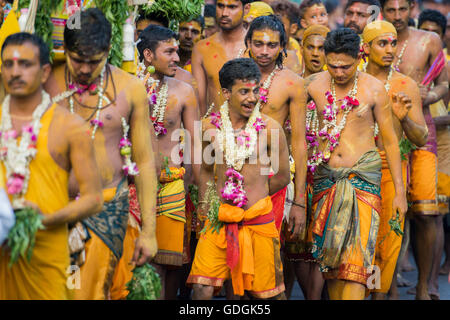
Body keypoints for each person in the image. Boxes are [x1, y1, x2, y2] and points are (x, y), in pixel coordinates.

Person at [44, 8, 158, 300]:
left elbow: (144, 161)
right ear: (64, 50)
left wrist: (148, 232)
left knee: (90, 294)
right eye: (77, 59)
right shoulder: (44, 81)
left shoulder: (129, 89)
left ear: (108, 51)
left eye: (93, 62)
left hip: (105, 210)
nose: (84, 69)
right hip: (47, 211)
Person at [305, 28, 407, 300]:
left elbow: (391, 143)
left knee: (358, 262)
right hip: (326, 180)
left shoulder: (373, 89)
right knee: (334, 263)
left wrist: (399, 192)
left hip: (363, 181)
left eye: (346, 67)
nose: (338, 72)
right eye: (333, 65)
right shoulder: (313, 85)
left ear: (359, 57)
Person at [0, 32, 103, 299]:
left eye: (25, 64)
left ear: (45, 71)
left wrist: (44, 220)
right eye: (8, 64)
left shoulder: (70, 127)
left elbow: (93, 199)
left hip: (45, 255)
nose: (15, 72)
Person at [187, 57, 290, 300]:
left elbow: (283, 176)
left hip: (258, 220)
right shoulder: (208, 128)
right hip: (219, 219)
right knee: (201, 287)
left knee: (269, 295)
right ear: (225, 93)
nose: (252, 98)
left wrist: (258, 193)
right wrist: (205, 209)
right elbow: (204, 172)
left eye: (255, 90)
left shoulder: (270, 128)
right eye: (243, 91)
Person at [381, 0, 449, 300]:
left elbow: (444, 83)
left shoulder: (429, 40)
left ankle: (425, 285)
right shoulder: (375, 37)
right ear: (382, 10)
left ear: (412, 8)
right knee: (389, 210)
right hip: (385, 132)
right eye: (391, 10)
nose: (397, 16)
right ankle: (389, 287)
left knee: (425, 210)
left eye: (402, 10)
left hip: (423, 128)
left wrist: (430, 93)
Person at [361, 20, 428, 300]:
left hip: (391, 172)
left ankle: (378, 295)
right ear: (366, 48)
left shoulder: (405, 84)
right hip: (358, 171)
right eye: (382, 43)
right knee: (360, 241)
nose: (389, 49)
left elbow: (421, 137)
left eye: (392, 44)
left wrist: (404, 119)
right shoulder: (353, 79)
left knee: (387, 243)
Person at [135, 24, 200, 299]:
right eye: (169, 52)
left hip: (172, 185)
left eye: (176, 51)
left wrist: (185, 184)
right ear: (148, 55)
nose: (176, 57)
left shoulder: (185, 91)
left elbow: (196, 145)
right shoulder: (130, 87)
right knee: (138, 260)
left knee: (166, 265)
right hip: (134, 184)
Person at [282, 24, 330, 300]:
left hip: (326, 175)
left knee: (322, 244)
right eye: (309, 47)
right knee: (297, 245)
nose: (315, 53)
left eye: (321, 48)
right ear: (301, 49)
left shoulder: (338, 88)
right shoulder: (292, 86)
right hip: (296, 174)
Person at [418, 8, 450, 299]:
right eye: (424, 29)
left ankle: (429, 284)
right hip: (415, 137)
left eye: (435, 32)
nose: (429, 36)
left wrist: (430, 119)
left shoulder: (444, 64)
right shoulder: (411, 56)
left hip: (440, 143)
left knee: (435, 212)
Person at [191, 0, 252, 116]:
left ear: (246, 8)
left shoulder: (256, 47)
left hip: (252, 129)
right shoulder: (202, 48)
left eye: (232, 7)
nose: (224, 13)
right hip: (213, 129)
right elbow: (199, 102)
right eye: (220, 6)